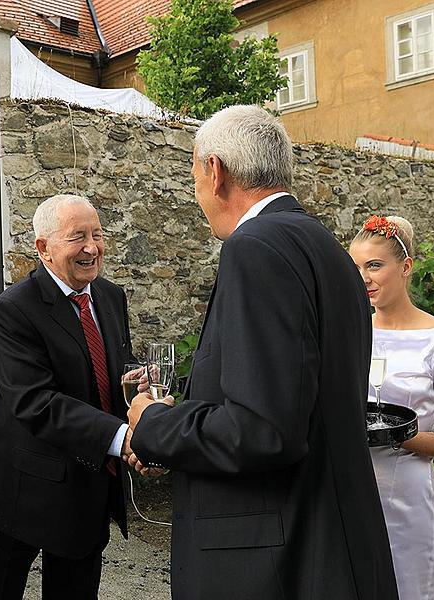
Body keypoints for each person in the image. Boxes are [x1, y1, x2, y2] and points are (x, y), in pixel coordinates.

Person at [126, 105, 398, 600]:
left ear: (215, 171)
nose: (195, 194)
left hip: (276, 562)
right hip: (333, 546)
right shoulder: (327, 248)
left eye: (193, 175)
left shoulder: (257, 247)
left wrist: (153, 425)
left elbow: (263, 431)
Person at [0, 194, 137, 599]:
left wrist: (141, 390)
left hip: (88, 479)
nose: (92, 248)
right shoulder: (14, 309)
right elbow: (35, 401)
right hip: (22, 487)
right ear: (43, 248)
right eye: (77, 236)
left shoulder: (111, 296)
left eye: (97, 235)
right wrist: (123, 438)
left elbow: (116, 365)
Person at [349, 215, 434, 600]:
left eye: (374, 265)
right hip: (349, 503)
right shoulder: (350, 330)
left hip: (407, 512)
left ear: (406, 268)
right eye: (355, 267)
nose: (363, 278)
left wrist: (398, 437)